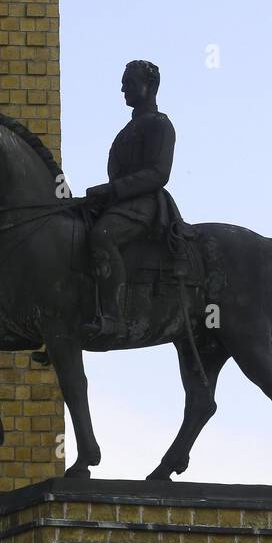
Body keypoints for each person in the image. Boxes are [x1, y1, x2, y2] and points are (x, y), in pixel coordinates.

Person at [82, 59, 192, 340]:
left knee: (102, 236)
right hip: (119, 203)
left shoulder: (159, 124)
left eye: (129, 83)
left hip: (145, 205)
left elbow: (158, 173)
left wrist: (112, 191)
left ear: (150, 85)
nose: (123, 88)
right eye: (123, 83)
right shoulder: (126, 131)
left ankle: (114, 317)